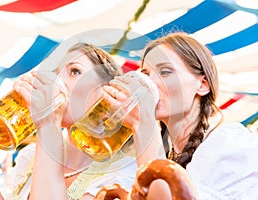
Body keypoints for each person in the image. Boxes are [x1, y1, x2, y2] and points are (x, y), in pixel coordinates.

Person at [0, 43, 139, 200]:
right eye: (56, 73)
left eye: (74, 71)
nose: (56, 81)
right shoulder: (30, 156)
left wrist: (48, 123)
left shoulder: (122, 174)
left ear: (106, 95)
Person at [102, 32, 258, 199]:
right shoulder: (169, 155)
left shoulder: (228, 144)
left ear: (203, 86)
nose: (149, 83)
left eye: (165, 72)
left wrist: (142, 123)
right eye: (146, 74)